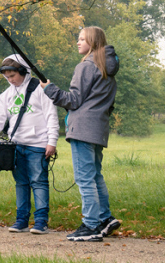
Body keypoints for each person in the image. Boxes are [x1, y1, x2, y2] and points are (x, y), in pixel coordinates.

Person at [40, 26, 121, 242]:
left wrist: (49, 89)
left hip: (83, 130)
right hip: (98, 129)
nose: (78, 42)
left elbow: (73, 101)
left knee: (85, 178)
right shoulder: (106, 68)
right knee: (95, 175)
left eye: (82, 39)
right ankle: (104, 218)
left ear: (92, 43)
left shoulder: (86, 66)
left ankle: (91, 225)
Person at [0, 54, 58, 235]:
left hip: (38, 145)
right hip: (16, 146)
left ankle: (40, 222)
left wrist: (51, 142)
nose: (10, 80)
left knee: (39, 182)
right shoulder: (5, 95)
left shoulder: (40, 89)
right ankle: (21, 220)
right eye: (7, 77)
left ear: (23, 71)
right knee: (21, 183)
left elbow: (51, 116)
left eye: (13, 76)